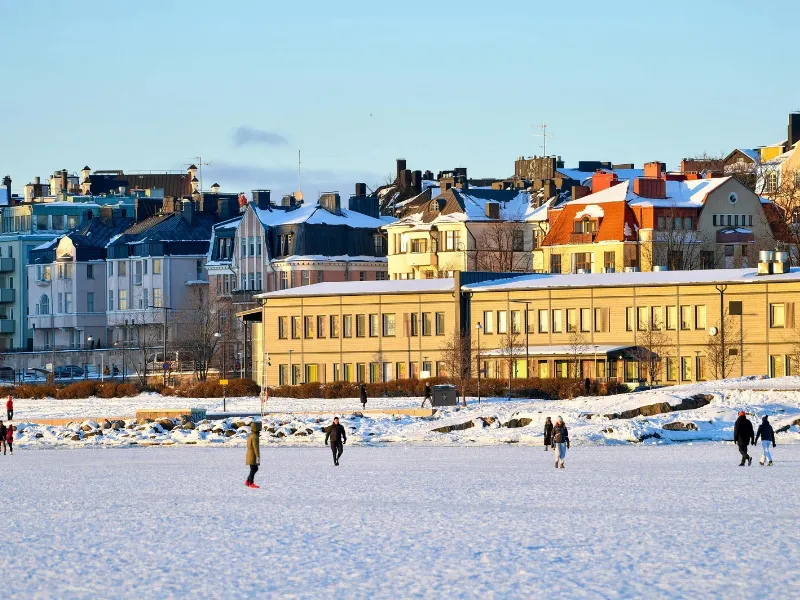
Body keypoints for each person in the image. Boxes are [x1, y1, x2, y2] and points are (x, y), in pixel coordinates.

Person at [245, 422, 260, 488]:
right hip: (253, 454)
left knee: (254, 468)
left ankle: (248, 481)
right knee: (254, 468)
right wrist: (257, 456)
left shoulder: (251, 434)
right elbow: (255, 447)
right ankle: (251, 483)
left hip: (249, 453)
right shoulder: (255, 436)